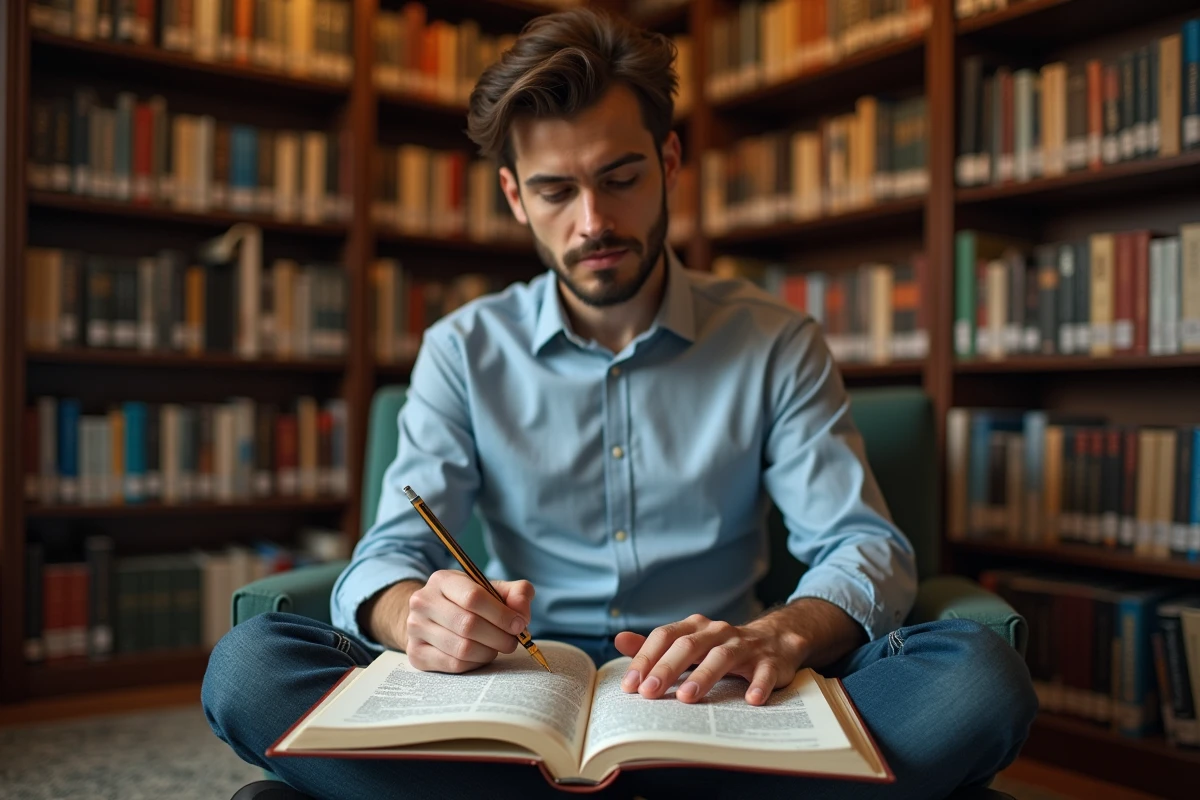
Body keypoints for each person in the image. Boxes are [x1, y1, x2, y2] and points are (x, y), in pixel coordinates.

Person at [203, 8, 1037, 799]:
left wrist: (777, 636)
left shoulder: (775, 340)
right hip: (519, 691)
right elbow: (386, 556)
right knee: (250, 666)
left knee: (976, 679)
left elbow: (864, 545)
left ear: (669, 162)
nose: (593, 221)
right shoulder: (462, 350)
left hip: (718, 693)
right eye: (556, 191)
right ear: (514, 197)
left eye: (621, 177)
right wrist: (414, 614)